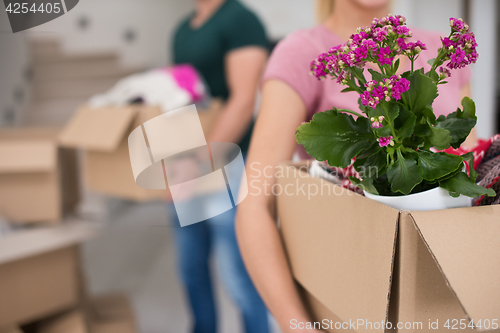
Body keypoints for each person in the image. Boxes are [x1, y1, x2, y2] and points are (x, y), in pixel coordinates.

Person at [235, 1, 475, 333]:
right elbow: (253, 205)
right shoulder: (302, 52)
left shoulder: (441, 50)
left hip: (446, 301)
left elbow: (469, 173)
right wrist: (297, 326)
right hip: (346, 298)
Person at [169, 1, 269, 333]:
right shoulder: (183, 29)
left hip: (227, 162)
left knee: (237, 275)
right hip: (186, 161)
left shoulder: (240, 20)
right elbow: (184, 99)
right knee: (191, 268)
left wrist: (197, 163)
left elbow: (242, 101)